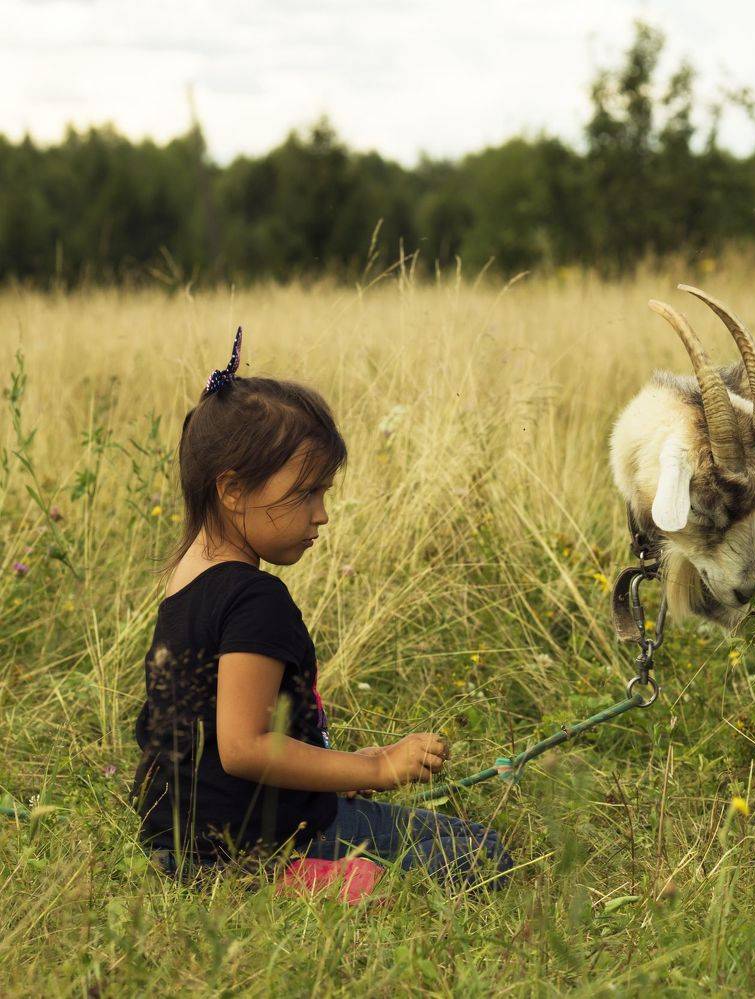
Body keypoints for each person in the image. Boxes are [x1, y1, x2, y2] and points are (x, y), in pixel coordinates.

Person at [130, 328, 513, 888]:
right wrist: (376, 767)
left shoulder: (185, 584)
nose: (322, 514)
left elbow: (210, 740)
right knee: (481, 853)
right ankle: (300, 879)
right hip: (260, 836)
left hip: (180, 838)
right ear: (232, 489)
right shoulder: (256, 600)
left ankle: (279, 873)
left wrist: (332, 772)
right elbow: (243, 748)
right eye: (307, 492)